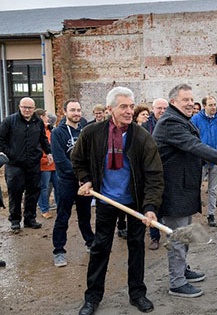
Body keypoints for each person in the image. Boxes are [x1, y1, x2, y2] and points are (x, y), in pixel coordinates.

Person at [73, 87, 163, 315]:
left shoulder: (142, 137)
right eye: (123, 106)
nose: (129, 111)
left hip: (134, 201)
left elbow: (154, 174)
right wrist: (85, 180)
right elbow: (78, 159)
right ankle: (92, 297)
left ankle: (138, 294)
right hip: (106, 199)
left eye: (132, 106)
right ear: (110, 108)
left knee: (136, 247)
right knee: (100, 247)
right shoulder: (92, 133)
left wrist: (150, 207)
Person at [153, 84, 217, 298]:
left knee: (184, 234)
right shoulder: (170, 122)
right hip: (174, 190)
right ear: (173, 102)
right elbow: (195, 146)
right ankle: (176, 283)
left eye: (191, 99)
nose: (190, 104)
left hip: (183, 188)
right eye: (185, 100)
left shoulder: (180, 119)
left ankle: (182, 270)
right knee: (177, 237)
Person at [50, 99, 95, 267]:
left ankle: (91, 242)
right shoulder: (57, 133)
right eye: (72, 110)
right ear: (64, 112)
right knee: (63, 216)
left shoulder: (85, 131)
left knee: (85, 215)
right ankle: (59, 251)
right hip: (66, 183)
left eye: (78, 110)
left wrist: (87, 179)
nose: (76, 113)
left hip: (84, 183)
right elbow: (61, 160)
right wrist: (79, 175)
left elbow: (90, 156)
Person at [0, 97, 51, 232]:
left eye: (30, 108)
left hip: (33, 163)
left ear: (34, 109)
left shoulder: (38, 122)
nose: (27, 110)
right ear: (19, 107)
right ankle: (15, 220)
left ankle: (30, 219)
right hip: (15, 164)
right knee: (15, 192)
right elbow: (1, 139)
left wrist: (49, 152)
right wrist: (9, 153)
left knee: (33, 192)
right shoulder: (9, 121)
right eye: (24, 107)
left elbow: (43, 138)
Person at [190, 95, 217, 227]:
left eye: (214, 104)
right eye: (210, 105)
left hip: (216, 158)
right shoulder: (195, 119)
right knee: (196, 186)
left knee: (213, 189)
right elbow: (192, 138)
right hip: (201, 159)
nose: (213, 107)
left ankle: (211, 214)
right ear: (204, 106)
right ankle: (192, 209)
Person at [141, 98, 168, 249]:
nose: (162, 111)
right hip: (151, 171)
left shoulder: (171, 124)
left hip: (168, 170)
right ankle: (154, 236)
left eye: (165, 108)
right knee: (153, 203)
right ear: (153, 109)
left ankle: (170, 235)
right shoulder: (145, 127)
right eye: (159, 108)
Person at [35, 109, 58, 219]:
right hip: (44, 164)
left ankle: (60, 206)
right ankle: (44, 209)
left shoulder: (50, 129)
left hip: (54, 164)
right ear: (40, 117)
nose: (48, 118)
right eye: (45, 116)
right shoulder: (37, 131)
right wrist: (44, 159)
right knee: (44, 188)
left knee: (58, 186)